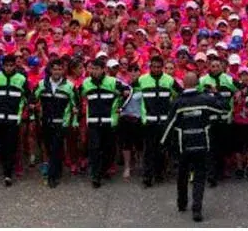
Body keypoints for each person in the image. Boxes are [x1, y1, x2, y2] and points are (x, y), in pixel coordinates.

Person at [161, 71, 227, 223]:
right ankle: (197, 209)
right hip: (202, 143)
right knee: (199, 177)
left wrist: (163, 143)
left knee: (182, 175)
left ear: (184, 84)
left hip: (183, 145)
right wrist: (216, 94)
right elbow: (223, 108)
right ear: (197, 84)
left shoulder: (178, 102)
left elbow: (169, 124)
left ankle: (182, 203)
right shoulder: (205, 99)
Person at [81, 57, 129, 188]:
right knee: (94, 148)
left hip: (110, 122)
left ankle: (103, 170)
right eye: (92, 69)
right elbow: (78, 96)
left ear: (103, 70)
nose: (94, 71)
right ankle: (95, 176)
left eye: (97, 69)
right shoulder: (86, 83)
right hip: (93, 122)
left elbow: (129, 91)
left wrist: (121, 108)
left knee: (109, 150)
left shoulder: (113, 82)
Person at [34, 59, 77, 188]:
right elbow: (32, 99)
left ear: (63, 70)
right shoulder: (42, 84)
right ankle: (57, 170)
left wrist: (74, 119)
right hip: (46, 122)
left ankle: (52, 177)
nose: (57, 71)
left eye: (59, 69)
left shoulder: (70, 86)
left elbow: (76, 103)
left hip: (61, 123)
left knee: (56, 148)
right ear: (50, 70)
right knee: (49, 148)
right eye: (54, 69)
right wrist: (33, 108)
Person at [138, 55, 180, 186]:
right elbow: (131, 91)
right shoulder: (142, 79)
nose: (156, 69)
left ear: (162, 67)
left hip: (164, 121)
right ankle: (147, 177)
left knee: (161, 149)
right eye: (154, 67)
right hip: (148, 121)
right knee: (148, 150)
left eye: (158, 67)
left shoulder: (169, 80)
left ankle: (159, 174)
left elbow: (180, 93)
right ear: (150, 67)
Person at [0, 53, 29, 186]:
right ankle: (3, 165)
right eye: (6, 65)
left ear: (15, 66)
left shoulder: (21, 78)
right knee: (2, 145)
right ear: (2, 65)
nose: (9, 68)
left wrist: (28, 107)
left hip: (14, 119)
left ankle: (8, 173)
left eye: (11, 65)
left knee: (11, 145)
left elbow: (29, 96)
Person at [198, 57, 237, 186]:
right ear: (209, 67)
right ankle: (211, 175)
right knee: (211, 148)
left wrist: (239, 93)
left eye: (217, 66)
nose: (215, 68)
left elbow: (243, 88)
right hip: (209, 120)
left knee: (223, 147)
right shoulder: (202, 80)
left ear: (222, 67)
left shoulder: (229, 79)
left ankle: (221, 171)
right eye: (213, 66)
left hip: (225, 119)